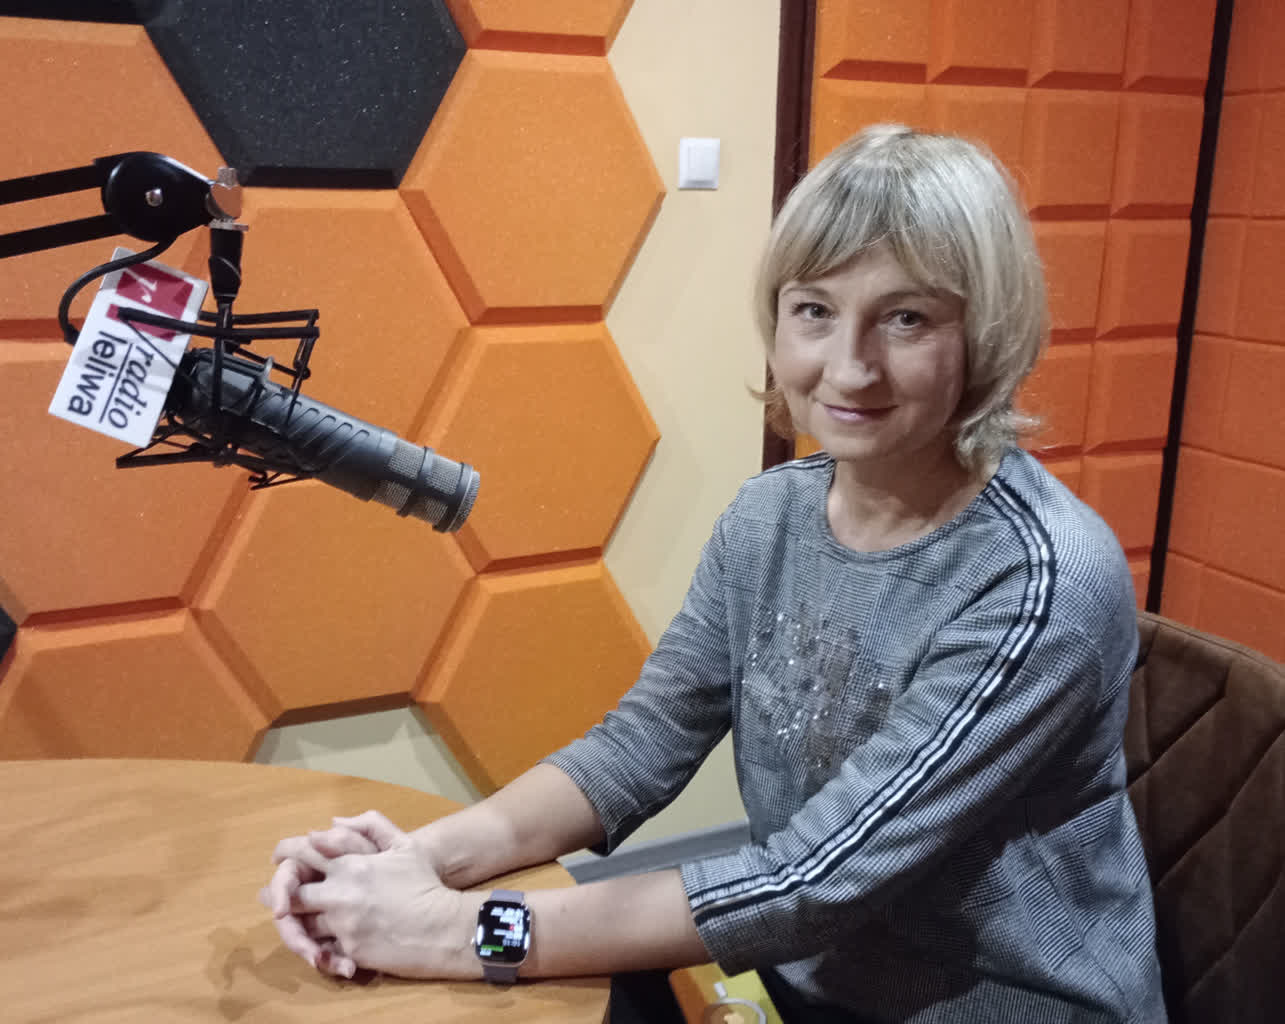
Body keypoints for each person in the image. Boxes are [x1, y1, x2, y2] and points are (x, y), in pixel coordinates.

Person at [262, 124, 1167, 1023]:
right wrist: (422, 863)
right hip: (810, 985)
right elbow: (639, 746)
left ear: (986, 334)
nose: (848, 367)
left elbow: (808, 882)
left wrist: (454, 932)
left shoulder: (1038, 582)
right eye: (813, 310)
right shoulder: (769, 517)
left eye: (907, 319)